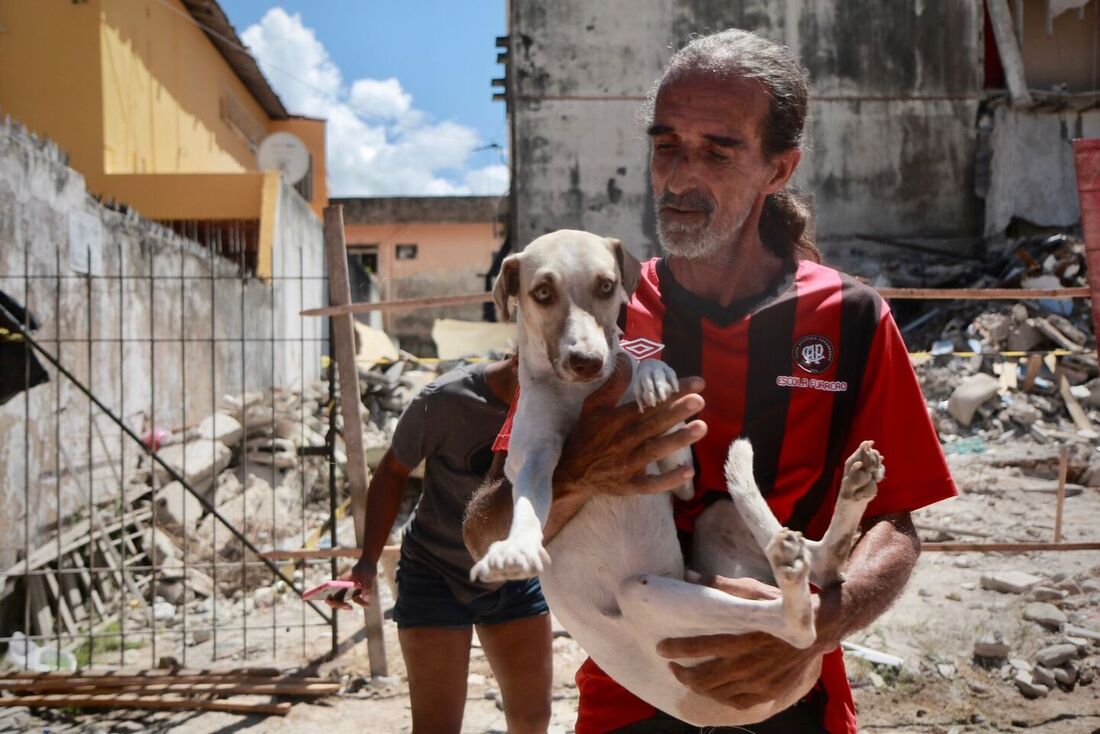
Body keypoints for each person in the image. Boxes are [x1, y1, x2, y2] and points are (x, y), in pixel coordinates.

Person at [463, 29, 956, 734]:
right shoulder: (599, 318)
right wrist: (579, 472)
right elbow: (486, 531)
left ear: (778, 169)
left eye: (717, 150)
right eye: (666, 146)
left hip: (790, 692)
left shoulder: (849, 318)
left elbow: (896, 522)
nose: (680, 174)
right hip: (631, 699)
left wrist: (817, 628)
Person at [329, 357, 552, 734]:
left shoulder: (555, 406)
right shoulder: (447, 399)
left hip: (512, 569)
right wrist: (366, 563)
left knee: (532, 721)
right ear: (521, 356)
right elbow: (393, 470)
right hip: (436, 574)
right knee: (437, 726)